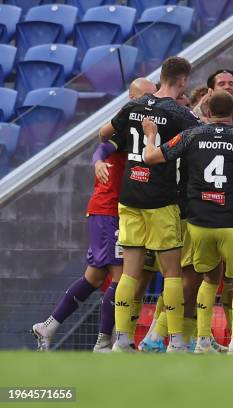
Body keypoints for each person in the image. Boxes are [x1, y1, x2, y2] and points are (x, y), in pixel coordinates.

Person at [143, 90, 233, 355]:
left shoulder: (192, 135)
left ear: (207, 112)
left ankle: (201, 341)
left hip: (199, 223)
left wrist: (151, 135)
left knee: (208, 280)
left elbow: (151, 158)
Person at [31, 78, 157, 352]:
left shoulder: (145, 126)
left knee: (94, 277)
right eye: (147, 95)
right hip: (108, 210)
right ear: (132, 98)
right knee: (123, 275)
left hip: (115, 211)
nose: (152, 100)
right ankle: (103, 341)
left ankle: (48, 326)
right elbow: (103, 147)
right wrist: (99, 161)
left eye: (154, 95)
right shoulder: (125, 124)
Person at [98, 56, 200, 352]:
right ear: (182, 81)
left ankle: (122, 340)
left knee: (130, 272)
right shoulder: (179, 114)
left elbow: (103, 134)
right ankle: (177, 340)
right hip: (161, 199)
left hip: (129, 196)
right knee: (172, 273)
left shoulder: (133, 106)